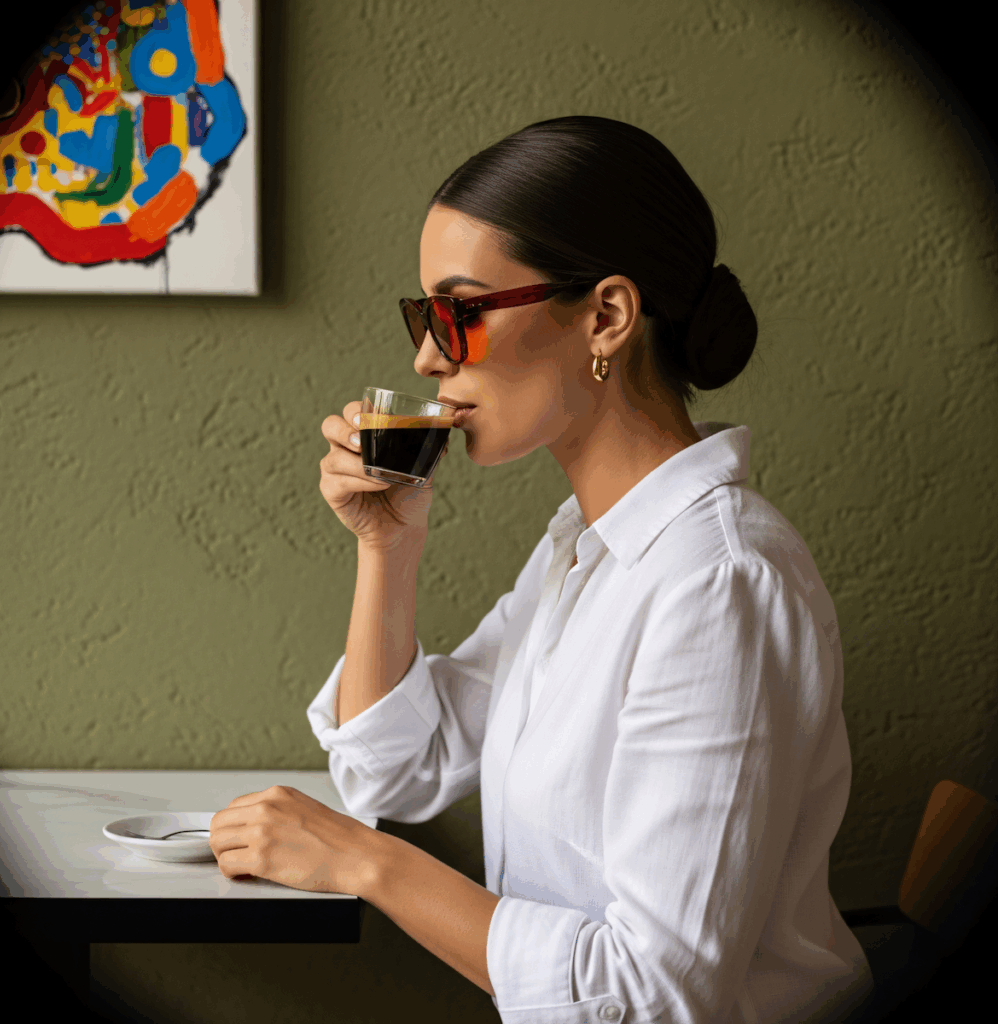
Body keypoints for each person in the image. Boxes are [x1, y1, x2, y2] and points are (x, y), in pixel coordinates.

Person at [310, 115, 873, 1023]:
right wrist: (388, 546)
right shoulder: (585, 548)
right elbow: (394, 772)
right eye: (425, 316)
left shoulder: (716, 584)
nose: (426, 355)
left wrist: (362, 863)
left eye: (458, 312)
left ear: (606, 316)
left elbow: (654, 998)